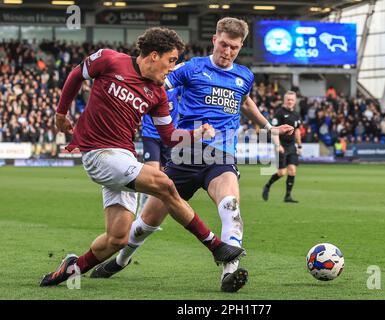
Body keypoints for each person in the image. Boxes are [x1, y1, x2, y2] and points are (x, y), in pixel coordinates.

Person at [89, 17, 294, 293]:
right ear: (214, 40)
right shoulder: (192, 68)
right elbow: (157, 84)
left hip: (221, 156)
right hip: (185, 155)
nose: (228, 51)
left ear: (240, 46)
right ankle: (122, 260)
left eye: (234, 47)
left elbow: (244, 101)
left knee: (230, 207)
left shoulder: (244, 75)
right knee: (146, 223)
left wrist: (269, 127)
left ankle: (230, 273)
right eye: (223, 44)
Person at [39, 27, 245, 287]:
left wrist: (197, 133)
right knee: (166, 185)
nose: (173, 67)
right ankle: (216, 246)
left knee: (117, 239)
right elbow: (75, 75)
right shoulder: (109, 59)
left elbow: (169, 136)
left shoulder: (158, 95)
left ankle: (72, 268)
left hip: (123, 156)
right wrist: (60, 113)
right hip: (98, 153)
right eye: (171, 61)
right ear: (154, 56)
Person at [136, 87, 181, 215]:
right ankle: (142, 213)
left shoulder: (176, 87)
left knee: (166, 178)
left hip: (171, 136)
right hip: (151, 135)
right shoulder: (149, 87)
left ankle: (152, 215)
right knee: (152, 176)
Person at [262, 91, 302, 203]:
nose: (290, 101)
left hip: (291, 146)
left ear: (295, 101)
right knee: (281, 172)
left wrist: (299, 145)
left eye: (292, 100)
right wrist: (278, 145)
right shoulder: (279, 113)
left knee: (292, 171)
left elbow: (297, 131)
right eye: (288, 99)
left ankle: (287, 196)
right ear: (284, 100)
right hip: (281, 146)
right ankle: (267, 186)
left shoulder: (296, 115)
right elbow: (274, 130)